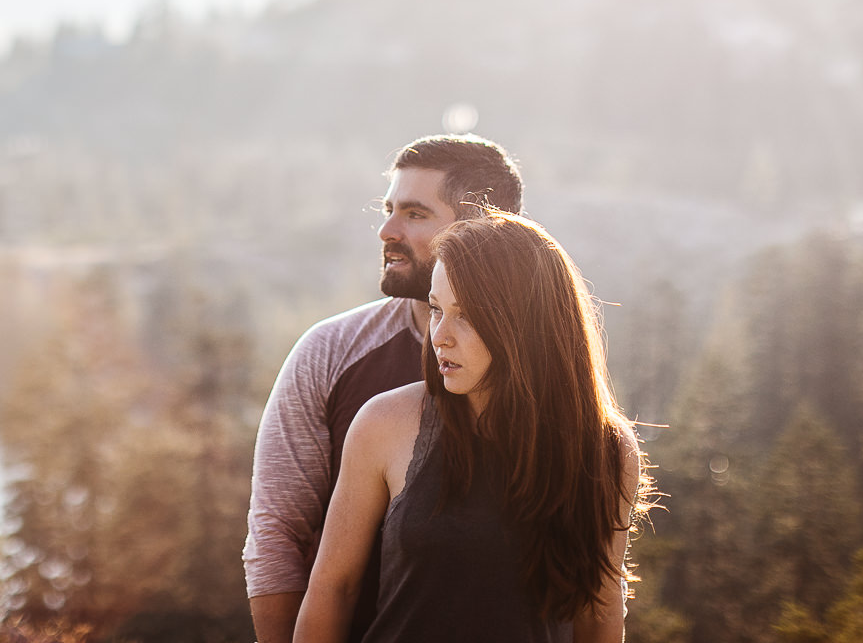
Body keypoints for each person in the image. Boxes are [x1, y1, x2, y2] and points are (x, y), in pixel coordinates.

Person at [293, 211, 651, 643]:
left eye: (464, 315)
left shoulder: (607, 450)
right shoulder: (383, 424)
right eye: (436, 309)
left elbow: (600, 609)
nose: (439, 336)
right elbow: (334, 588)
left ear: (524, 324)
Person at [245, 135, 524, 643]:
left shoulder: (551, 367)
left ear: (484, 228)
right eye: (389, 209)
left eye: (415, 214)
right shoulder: (330, 352)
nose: (386, 230)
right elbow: (275, 537)